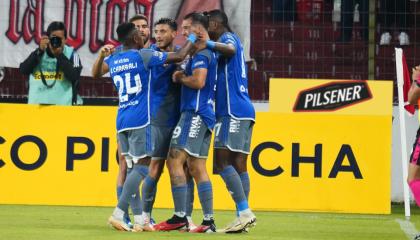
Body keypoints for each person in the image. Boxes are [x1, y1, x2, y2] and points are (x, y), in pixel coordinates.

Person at [92, 22, 196, 232]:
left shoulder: (115, 58)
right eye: (140, 35)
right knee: (142, 167)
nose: (144, 37)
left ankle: (140, 218)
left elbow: (95, 74)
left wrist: (102, 56)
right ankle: (119, 212)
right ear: (135, 40)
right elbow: (179, 56)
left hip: (121, 120)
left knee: (131, 168)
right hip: (141, 119)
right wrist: (193, 38)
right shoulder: (144, 55)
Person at [154, 12, 217, 233]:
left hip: (195, 113)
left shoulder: (203, 54)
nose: (183, 32)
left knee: (174, 159)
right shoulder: (204, 52)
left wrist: (180, 77)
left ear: (199, 30)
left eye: (187, 28)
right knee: (196, 167)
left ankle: (180, 216)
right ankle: (208, 221)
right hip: (205, 114)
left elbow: (198, 82)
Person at [139, 17, 197, 232]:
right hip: (159, 117)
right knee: (155, 167)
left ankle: (186, 217)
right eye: (157, 31)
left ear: (174, 33)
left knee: (186, 168)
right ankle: (145, 215)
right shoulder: (154, 53)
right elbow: (180, 57)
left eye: (163, 31)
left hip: (182, 117)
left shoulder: (185, 51)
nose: (158, 35)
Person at [206, 9, 256, 233]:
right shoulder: (227, 41)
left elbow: (230, 49)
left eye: (207, 27)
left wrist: (205, 45)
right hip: (243, 109)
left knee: (220, 163)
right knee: (238, 165)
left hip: (232, 111)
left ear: (215, 25)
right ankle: (242, 217)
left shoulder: (228, 38)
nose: (206, 32)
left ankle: (244, 212)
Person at [19, 21, 82, 105]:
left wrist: (59, 55)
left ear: (65, 39)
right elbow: (23, 70)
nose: (56, 41)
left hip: (62, 109)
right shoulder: (38, 52)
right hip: (37, 107)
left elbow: (75, 76)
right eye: (54, 38)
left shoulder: (72, 54)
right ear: (47, 38)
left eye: (60, 39)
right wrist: (39, 51)